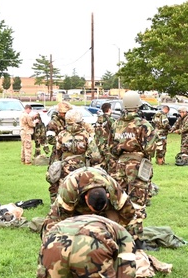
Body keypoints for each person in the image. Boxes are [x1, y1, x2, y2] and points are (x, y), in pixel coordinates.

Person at [110, 91, 155, 241]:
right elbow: (150, 148)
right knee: (137, 202)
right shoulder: (143, 125)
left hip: (119, 165)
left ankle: (119, 235)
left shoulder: (116, 124)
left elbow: (111, 147)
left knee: (120, 200)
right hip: (137, 165)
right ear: (137, 106)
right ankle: (136, 240)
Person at [43, 166, 136, 234]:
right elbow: (62, 217)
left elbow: (129, 214)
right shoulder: (69, 190)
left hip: (105, 211)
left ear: (108, 195)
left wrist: (130, 238)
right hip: (76, 204)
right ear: (86, 198)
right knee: (54, 229)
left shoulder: (113, 189)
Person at [48, 109, 100, 203]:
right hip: (81, 170)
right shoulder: (86, 135)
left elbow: (57, 153)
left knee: (64, 190)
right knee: (80, 190)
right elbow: (95, 156)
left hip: (64, 170)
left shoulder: (61, 135)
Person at [93, 102, 115, 169]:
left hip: (98, 143)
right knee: (108, 161)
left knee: (100, 160)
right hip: (107, 144)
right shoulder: (111, 120)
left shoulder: (99, 119)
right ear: (109, 109)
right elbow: (115, 131)